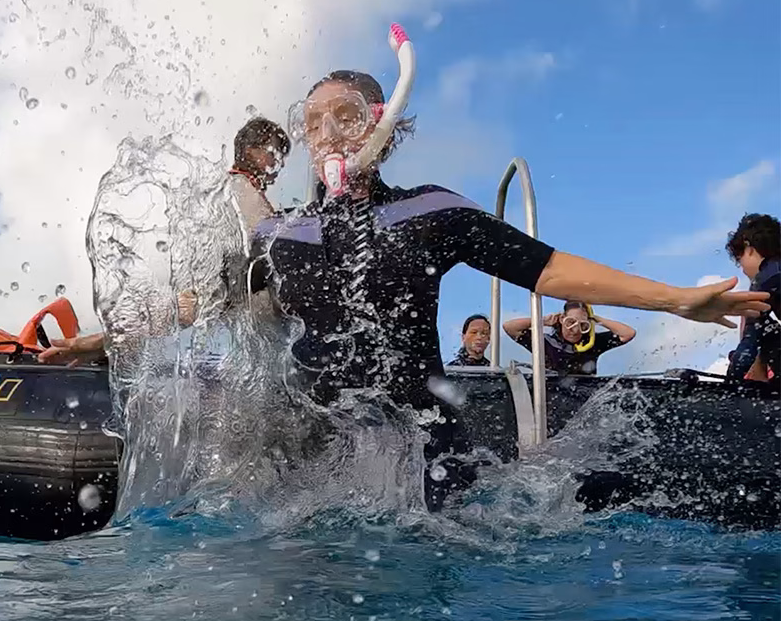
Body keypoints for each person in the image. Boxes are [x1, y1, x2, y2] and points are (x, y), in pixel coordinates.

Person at [236, 68, 767, 511]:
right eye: (312, 124)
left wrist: (674, 298)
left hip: (423, 456)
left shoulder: (427, 212)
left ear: (385, 126)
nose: (327, 133)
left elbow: (549, 269)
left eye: (346, 116)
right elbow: (217, 301)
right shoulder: (278, 234)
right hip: (317, 457)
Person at [37, 117, 291, 364]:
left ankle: (108, 341)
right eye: (275, 153)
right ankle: (106, 342)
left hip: (238, 322)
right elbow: (257, 252)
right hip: (249, 328)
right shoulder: (240, 190)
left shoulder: (230, 191)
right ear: (252, 150)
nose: (279, 164)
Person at [503, 301, 636, 375]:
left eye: (583, 325)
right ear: (561, 319)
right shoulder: (545, 342)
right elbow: (509, 327)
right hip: (552, 396)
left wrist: (598, 319)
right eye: (570, 322)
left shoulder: (594, 343)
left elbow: (628, 333)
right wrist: (542, 320)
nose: (575, 330)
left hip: (584, 398)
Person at [725, 213, 780, 382]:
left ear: (748, 248)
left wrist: (730, 384)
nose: (741, 269)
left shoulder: (765, 280)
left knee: (754, 317)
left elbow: (746, 352)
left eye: (739, 259)